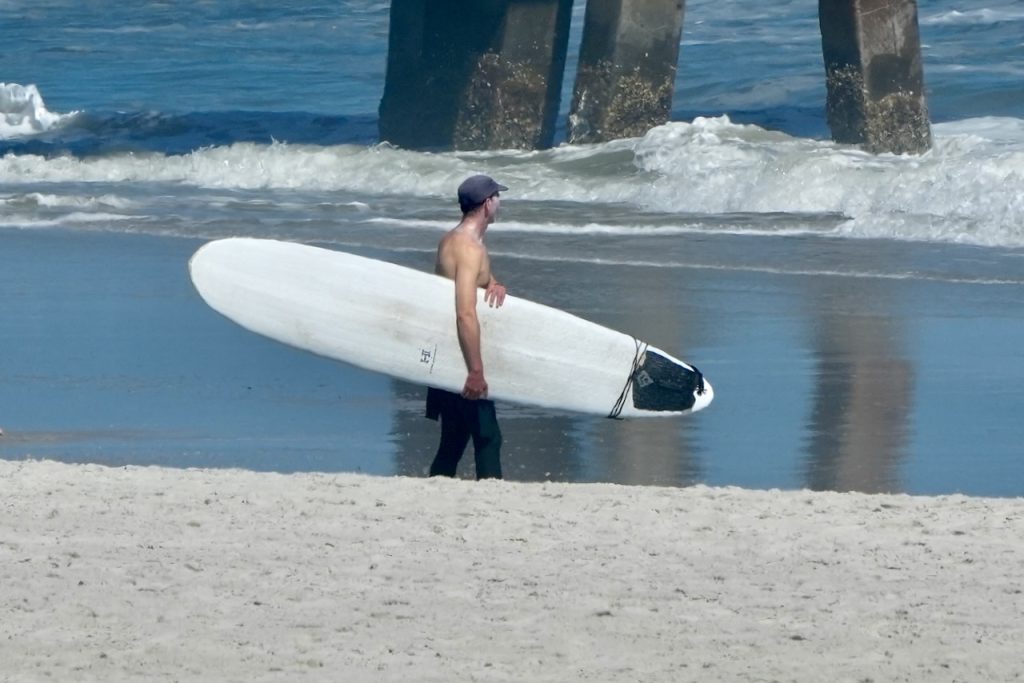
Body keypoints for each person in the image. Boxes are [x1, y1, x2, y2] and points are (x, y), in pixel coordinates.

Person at [425, 174, 509, 480]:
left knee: (454, 438)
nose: (500, 203)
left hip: (446, 352)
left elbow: (473, 280)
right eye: (497, 197)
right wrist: (476, 371)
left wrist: (494, 283)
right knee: (488, 437)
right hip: (461, 357)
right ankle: (492, 495)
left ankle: (435, 488)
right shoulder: (469, 248)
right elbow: (465, 313)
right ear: (487, 204)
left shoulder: (452, 240)